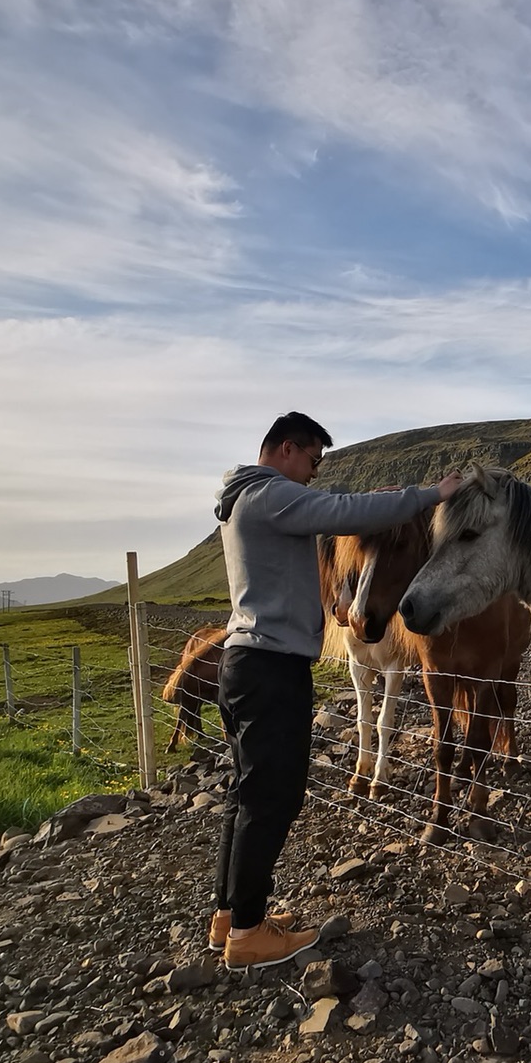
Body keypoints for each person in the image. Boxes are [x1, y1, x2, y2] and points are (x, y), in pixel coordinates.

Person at [209, 411, 460, 968]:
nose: (314, 475)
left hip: (247, 662)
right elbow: (344, 513)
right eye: (313, 462)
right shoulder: (269, 496)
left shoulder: (244, 502)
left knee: (246, 794)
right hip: (271, 668)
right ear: (287, 449)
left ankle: (230, 915)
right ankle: (249, 936)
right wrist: (430, 494)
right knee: (273, 798)